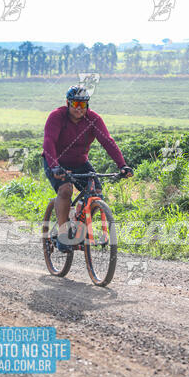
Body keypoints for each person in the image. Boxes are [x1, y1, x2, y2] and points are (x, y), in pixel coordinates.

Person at [42, 85, 133, 252]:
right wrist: (55, 167)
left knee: (97, 193)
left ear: (87, 105)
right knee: (65, 190)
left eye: (82, 105)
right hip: (55, 162)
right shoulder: (56, 117)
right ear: (68, 103)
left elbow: (108, 142)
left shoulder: (94, 119)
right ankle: (63, 234)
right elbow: (49, 142)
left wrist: (122, 165)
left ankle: (79, 227)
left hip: (79, 162)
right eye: (75, 104)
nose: (78, 108)